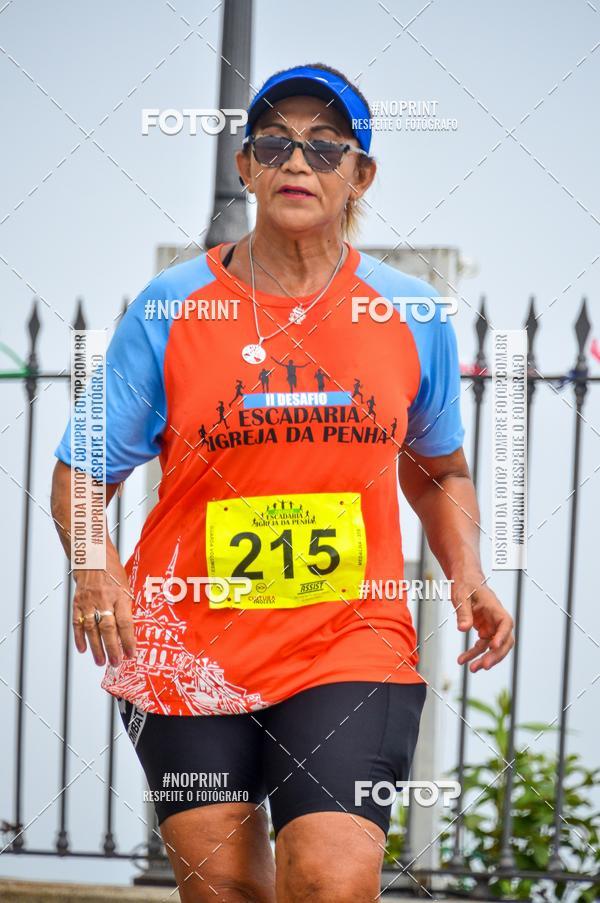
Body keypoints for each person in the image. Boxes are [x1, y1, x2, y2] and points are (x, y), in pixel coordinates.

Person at [51, 63, 514, 903]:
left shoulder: (410, 313)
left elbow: (439, 466)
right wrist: (94, 564)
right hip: (188, 644)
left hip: (350, 638)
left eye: (325, 146)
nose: (298, 161)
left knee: (332, 875)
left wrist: (468, 570)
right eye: (275, 143)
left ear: (361, 175)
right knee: (223, 885)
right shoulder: (172, 306)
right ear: (247, 166)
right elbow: (81, 470)